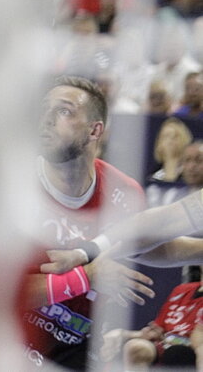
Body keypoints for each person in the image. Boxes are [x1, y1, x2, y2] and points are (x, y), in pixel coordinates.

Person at [22, 76, 155, 369]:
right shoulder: (14, 185)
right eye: (44, 109)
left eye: (64, 111)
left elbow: (147, 247)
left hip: (75, 350)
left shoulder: (124, 194)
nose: (46, 119)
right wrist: (87, 276)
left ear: (95, 130)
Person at [98, 280, 203, 370]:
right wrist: (121, 333)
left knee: (177, 353)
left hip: (188, 351)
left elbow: (198, 342)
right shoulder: (181, 290)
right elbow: (157, 330)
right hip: (167, 344)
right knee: (136, 348)